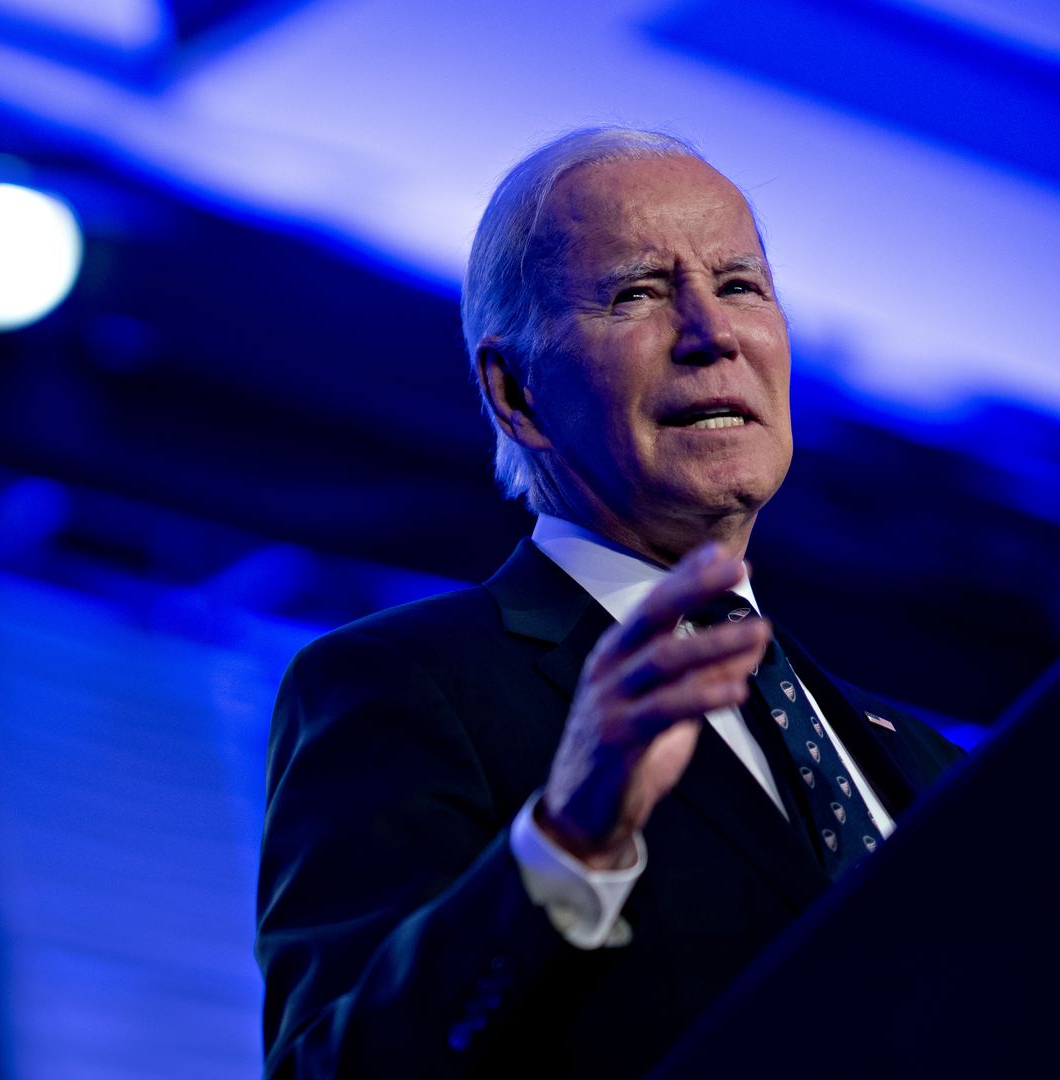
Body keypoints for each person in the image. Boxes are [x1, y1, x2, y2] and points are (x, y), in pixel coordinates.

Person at [254, 127, 964, 1079]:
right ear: (518, 397)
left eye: (741, 285)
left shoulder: (917, 759)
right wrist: (565, 848)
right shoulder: (402, 686)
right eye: (635, 293)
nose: (712, 334)